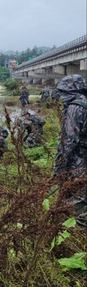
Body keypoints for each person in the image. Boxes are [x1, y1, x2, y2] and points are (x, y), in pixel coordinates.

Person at [53, 74, 87, 228]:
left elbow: (68, 141)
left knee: (75, 199)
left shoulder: (75, 108)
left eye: (63, 92)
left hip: (78, 162)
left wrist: (59, 167)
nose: (61, 96)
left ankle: (74, 233)